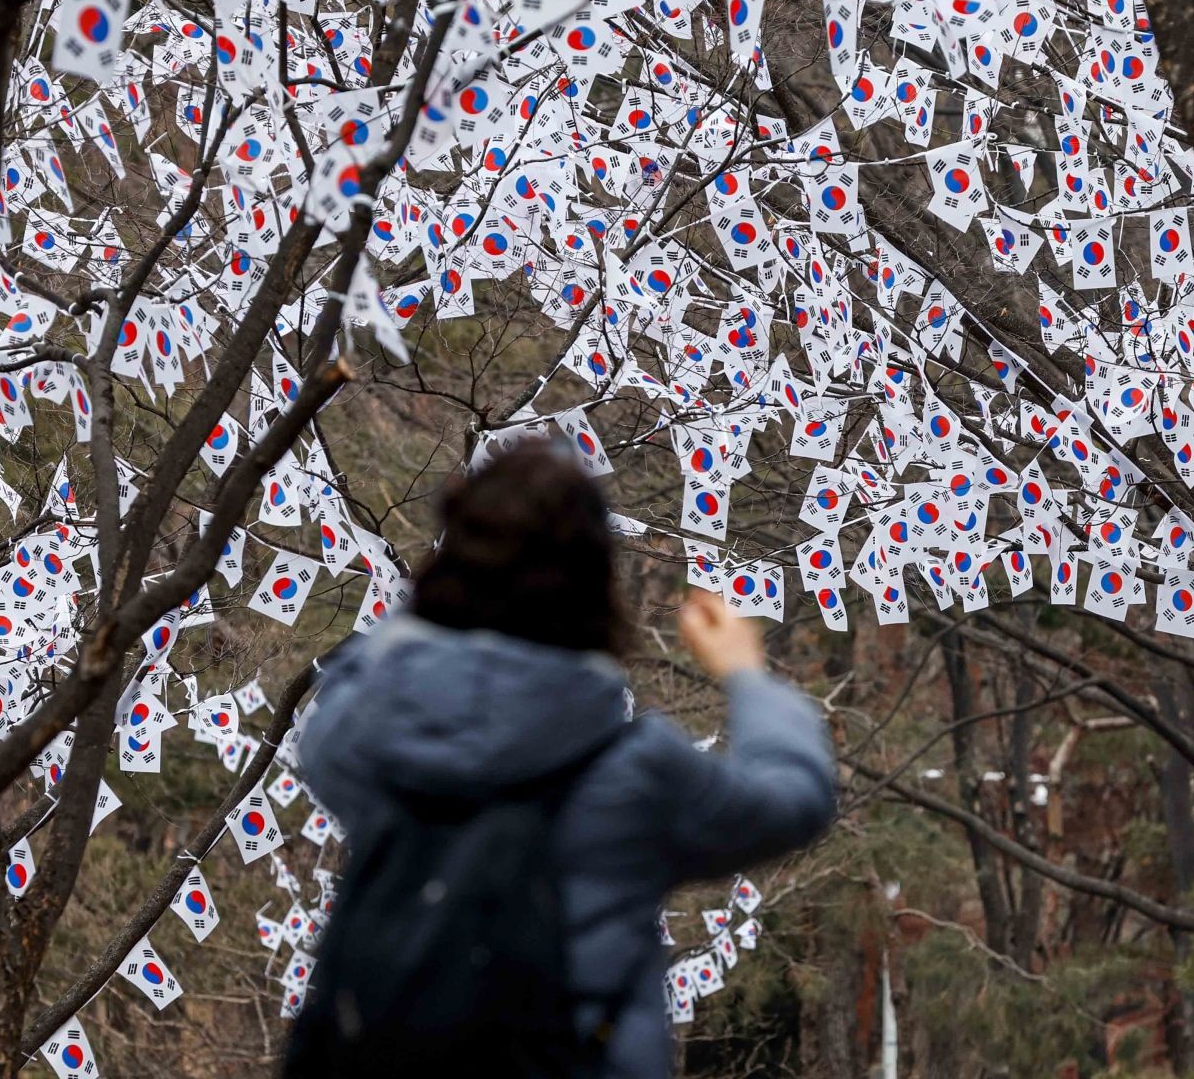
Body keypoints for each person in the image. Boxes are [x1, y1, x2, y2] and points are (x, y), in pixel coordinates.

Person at [289, 438, 836, 1079]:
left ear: (452, 568)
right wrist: (746, 674)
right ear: (596, 589)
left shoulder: (364, 737)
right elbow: (795, 798)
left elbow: (367, 668)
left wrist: (449, 588)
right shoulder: (634, 775)